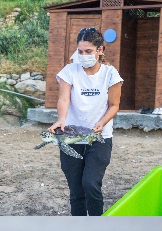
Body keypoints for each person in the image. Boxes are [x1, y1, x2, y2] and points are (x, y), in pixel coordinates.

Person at [48, 27, 123, 216]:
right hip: (71, 138)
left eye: (88, 51)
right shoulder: (69, 71)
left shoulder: (110, 74)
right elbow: (64, 99)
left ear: (100, 50)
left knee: (90, 184)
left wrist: (102, 123)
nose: (84, 55)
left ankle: (97, 227)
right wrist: (61, 120)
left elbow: (114, 105)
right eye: (80, 51)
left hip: (100, 138)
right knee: (76, 191)